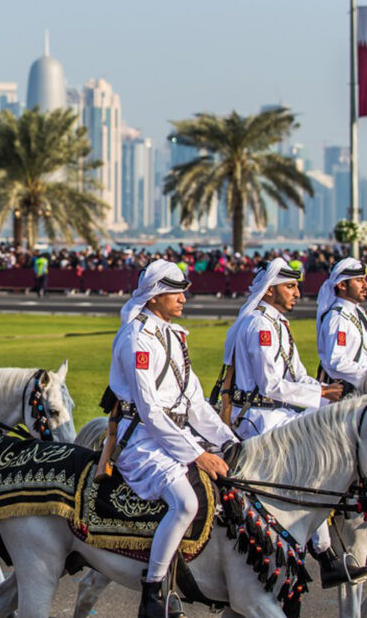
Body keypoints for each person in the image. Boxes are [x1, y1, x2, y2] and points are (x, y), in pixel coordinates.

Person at [223, 258, 367, 588]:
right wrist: (318, 391)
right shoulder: (260, 325)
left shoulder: (278, 323)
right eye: (290, 287)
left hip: (284, 411)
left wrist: (323, 392)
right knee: (312, 466)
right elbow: (271, 384)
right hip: (261, 416)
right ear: (271, 289)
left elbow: (298, 372)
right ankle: (323, 553)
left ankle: (325, 548)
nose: (297, 293)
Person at [108, 260, 236, 618]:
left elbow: (195, 403)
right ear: (153, 298)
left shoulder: (173, 335)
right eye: (175, 293)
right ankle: (154, 589)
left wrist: (229, 440)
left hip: (176, 434)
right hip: (143, 441)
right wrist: (198, 455)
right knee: (185, 503)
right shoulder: (137, 338)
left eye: (183, 292)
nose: (183, 298)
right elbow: (150, 411)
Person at [316, 258, 367, 392]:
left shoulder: (357, 312)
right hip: (344, 393)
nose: (366, 285)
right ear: (342, 285)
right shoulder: (337, 317)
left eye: (364, 279)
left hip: (363, 387)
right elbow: (336, 361)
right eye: (359, 280)